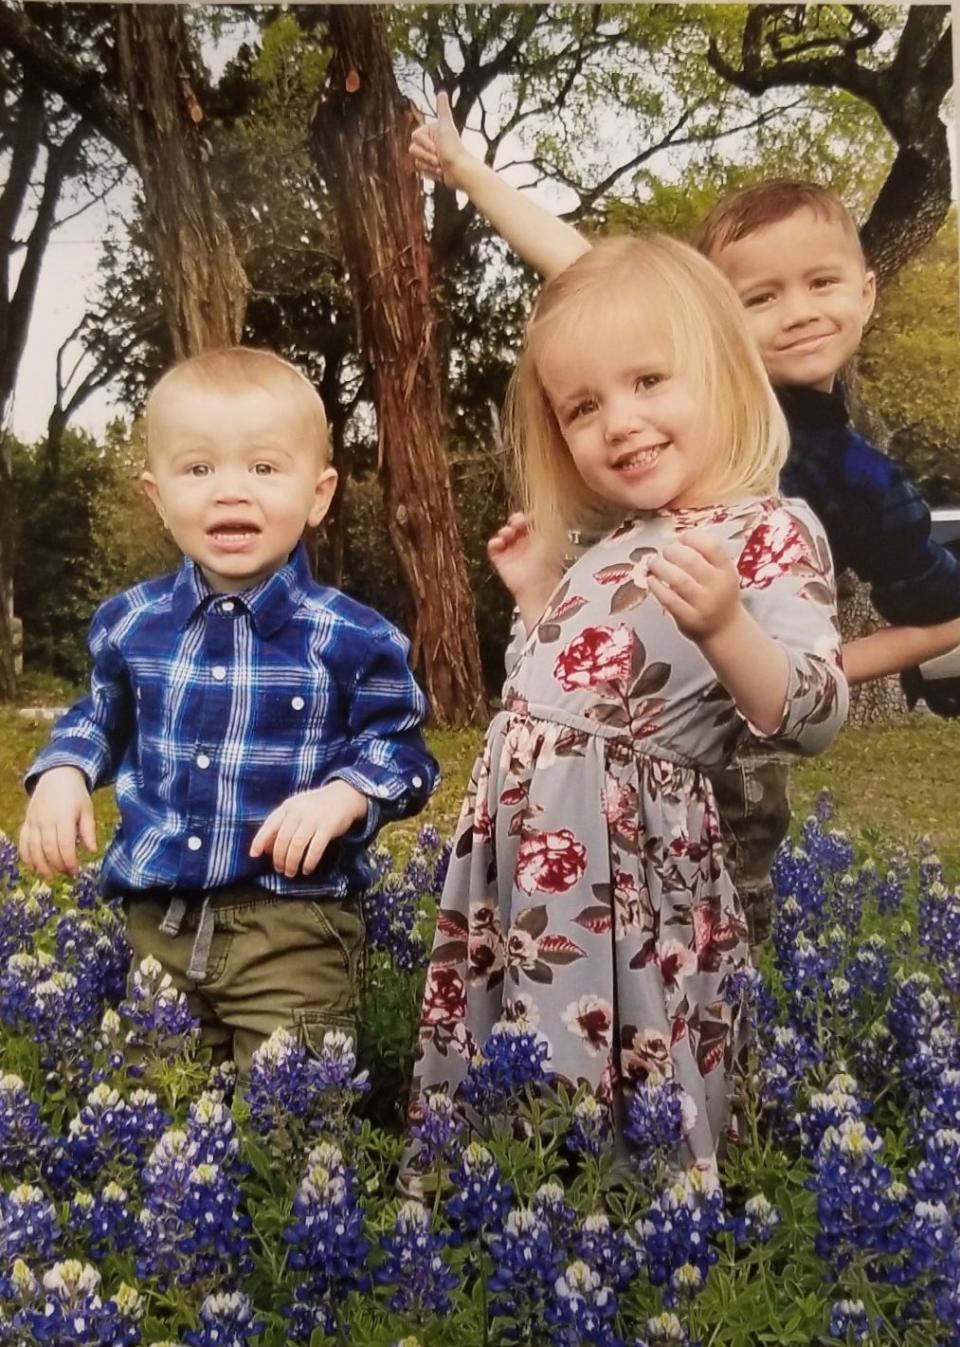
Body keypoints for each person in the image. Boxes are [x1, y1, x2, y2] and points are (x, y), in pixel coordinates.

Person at [410, 96, 960, 948]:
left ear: (867, 289)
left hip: (724, 748)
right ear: (709, 322)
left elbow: (932, 617)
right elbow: (581, 271)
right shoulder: (674, 392)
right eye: (759, 297)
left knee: (704, 930)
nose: (798, 312)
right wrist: (469, 171)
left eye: (820, 283)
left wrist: (759, 652)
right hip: (616, 737)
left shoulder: (860, 479)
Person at [410, 235, 848, 1167]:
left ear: (726, 373)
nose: (619, 421)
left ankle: (615, 1225)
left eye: (650, 380)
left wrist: (731, 626)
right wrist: (534, 597)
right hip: (525, 849)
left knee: (614, 1047)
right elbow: (546, 697)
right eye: (583, 405)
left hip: (625, 862)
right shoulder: (610, 544)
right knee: (518, 1032)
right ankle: (503, 1186)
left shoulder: (768, 529)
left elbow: (816, 710)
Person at [20, 347, 438, 1082]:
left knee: (289, 1123)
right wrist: (62, 770)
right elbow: (99, 715)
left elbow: (402, 751)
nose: (230, 493)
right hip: (161, 923)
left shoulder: (351, 635)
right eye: (198, 469)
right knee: (157, 1104)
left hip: (294, 929)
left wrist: (345, 796)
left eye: (265, 468)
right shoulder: (130, 622)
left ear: (320, 493)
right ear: (157, 494)